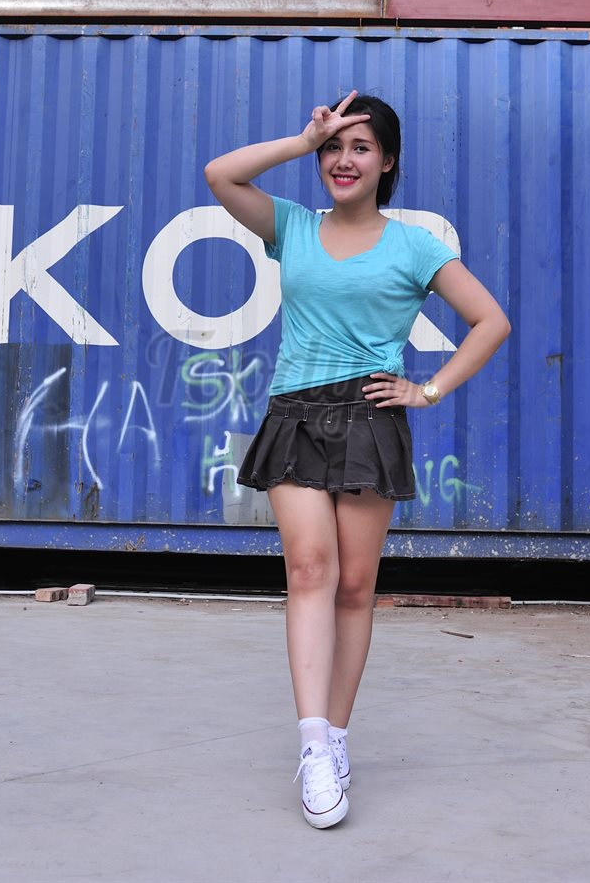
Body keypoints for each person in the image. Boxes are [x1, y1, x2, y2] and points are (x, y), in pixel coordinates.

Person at [203, 90, 510, 829]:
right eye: (336, 148)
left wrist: (427, 390)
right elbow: (221, 174)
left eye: (360, 147)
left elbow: (490, 320)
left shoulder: (415, 246)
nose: (344, 160)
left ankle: (338, 735)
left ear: (387, 162)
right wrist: (302, 138)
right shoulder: (292, 227)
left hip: (371, 418)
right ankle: (313, 747)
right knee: (310, 570)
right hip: (295, 415)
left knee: (353, 588)